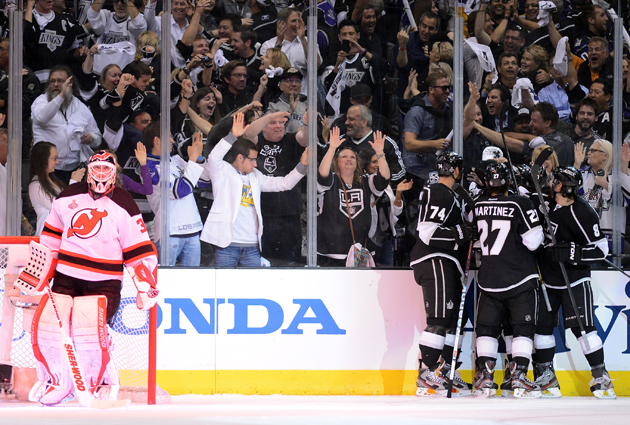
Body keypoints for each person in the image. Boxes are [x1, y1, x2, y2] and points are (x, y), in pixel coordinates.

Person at [30, 150, 157, 405]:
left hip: (105, 281)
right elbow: (51, 239)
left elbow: (138, 249)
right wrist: (41, 270)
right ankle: (56, 380)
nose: (100, 175)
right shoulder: (67, 196)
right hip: (66, 278)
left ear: (114, 173)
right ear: (88, 171)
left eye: (105, 170)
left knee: (88, 328)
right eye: (96, 169)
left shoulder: (124, 203)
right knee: (47, 327)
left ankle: (98, 382)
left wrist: (145, 285)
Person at [534, 166, 616, 399]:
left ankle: (601, 377)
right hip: (548, 279)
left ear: (560, 186)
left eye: (554, 181)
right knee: (542, 329)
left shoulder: (584, 213)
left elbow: (601, 251)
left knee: (584, 329)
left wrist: (573, 253)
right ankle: (547, 376)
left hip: (575, 281)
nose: (551, 183)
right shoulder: (545, 202)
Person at [472, 162, 544, 398]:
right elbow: (534, 241)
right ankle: (519, 377)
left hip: (489, 278)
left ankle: (485, 378)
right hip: (519, 276)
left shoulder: (478, 205)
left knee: (487, 329)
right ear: (508, 181)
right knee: (522, 328)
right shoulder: (520, 202)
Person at [199, 113, 309, 267]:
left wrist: (302, 165)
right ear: (239, 158)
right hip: (226, 245)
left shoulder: (256, 176)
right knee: (224, 287)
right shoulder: (222, 172)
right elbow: (213, 158)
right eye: (252, 159)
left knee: (252, 289)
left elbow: (284, 184)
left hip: (252, 247)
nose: (256, 164)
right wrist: (232, 136)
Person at [409, 152, 471, 396]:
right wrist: (461, 233)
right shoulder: (438, 191)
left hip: (447, 262)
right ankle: (428, 372)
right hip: (435, 259)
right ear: (456, 171)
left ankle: (445, 369)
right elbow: (427, 232)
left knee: (457, 318)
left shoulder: (452, 194)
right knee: (438, 319)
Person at [316, 127, 390, 266]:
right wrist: (332, 148)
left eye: (352, 157)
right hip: (332, 252)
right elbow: (322, 173)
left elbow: (384, 178)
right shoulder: (331, 180)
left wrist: (380, 153)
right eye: (344, 156)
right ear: (336, 162)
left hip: (361, 249)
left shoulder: (365, 181)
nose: (349, 159)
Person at [144, 122, 205, 267]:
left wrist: (199, 158)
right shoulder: (149, 167)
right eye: (168, 136)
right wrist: (192, 160)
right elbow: (179, 191)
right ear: (156, 140)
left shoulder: (176, 160)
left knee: (191, 283)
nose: (172, 140)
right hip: (170, 232)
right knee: (165, 281)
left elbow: (204, 182)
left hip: (193, 230)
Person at [31, 65, 103, 184]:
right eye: (52, 81)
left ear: (70, 84)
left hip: (73, 169)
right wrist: (61, 96)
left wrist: (92, 138)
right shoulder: (41, 101)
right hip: (46, 168)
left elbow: (98, 138)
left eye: (60, 81)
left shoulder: (81, 107)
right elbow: (42, 118)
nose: (55, 84)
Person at [28, 142, 86, 236]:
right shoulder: (35, 186)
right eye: (54, 158)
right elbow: (60, 208)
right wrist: (73, 183)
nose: (57, 162)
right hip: (46, 236)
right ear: (43, 160)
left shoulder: (53, 181)